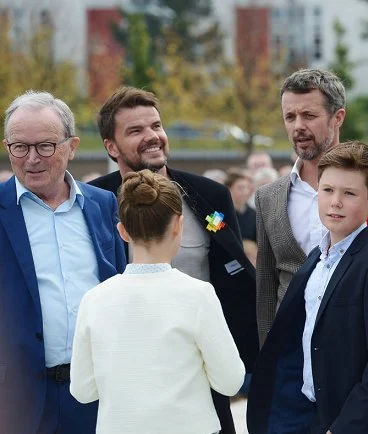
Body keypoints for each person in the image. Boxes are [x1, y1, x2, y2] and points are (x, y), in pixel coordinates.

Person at [88, 86, 257, 434]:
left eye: (156, 125)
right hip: (127, 388)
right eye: (135, 131)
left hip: (202, 382)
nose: (152, 137)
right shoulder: (94, 203)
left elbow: (232, 264)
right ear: (111, 146)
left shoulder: (207, 197)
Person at [70, 170, 245, 434]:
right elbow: (230, 381)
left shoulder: (94, 300)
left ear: (122, 231)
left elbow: (82, 390)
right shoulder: (198, 295)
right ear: (178, 225)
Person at [247, 142, 368, 434]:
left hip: (341, 416)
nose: (335, 202)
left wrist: (346, 426)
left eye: (349, 193)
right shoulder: (316, 257)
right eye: (328, 190)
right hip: (299, 407)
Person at [0, 91, 126, 434]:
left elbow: (118, 284)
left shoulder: (103, 205)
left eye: (45, 146)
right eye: (19, 147)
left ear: (71, 147)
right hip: (17, 401)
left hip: (96, 395)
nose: (31, 158)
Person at [255, 68, 346, 345]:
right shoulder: (269, 197)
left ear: (337, 117)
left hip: (360, 348)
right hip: (291, 352)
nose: (298, 126)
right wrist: (268, 359)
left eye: (309, 115)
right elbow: (267, 289)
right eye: (290, 117)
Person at [225, 168, 256, 241]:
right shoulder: (217, 212)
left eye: (247, 188)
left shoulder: (254, 214)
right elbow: (211, 232)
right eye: (240, 188)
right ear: (228, 189)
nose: (245, 192)